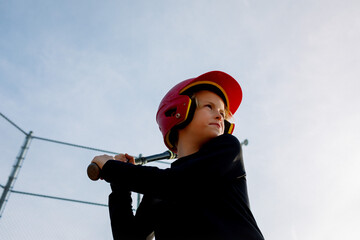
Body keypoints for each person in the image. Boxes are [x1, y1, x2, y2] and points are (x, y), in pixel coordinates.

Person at [91, 71, 264, 240]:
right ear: (180, 110)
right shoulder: (160, 191)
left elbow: (178, 183)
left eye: (222, 112)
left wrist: (112, 168)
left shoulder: (227, 148)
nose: (219, 115)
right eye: (209, 106)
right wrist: (120, 188)